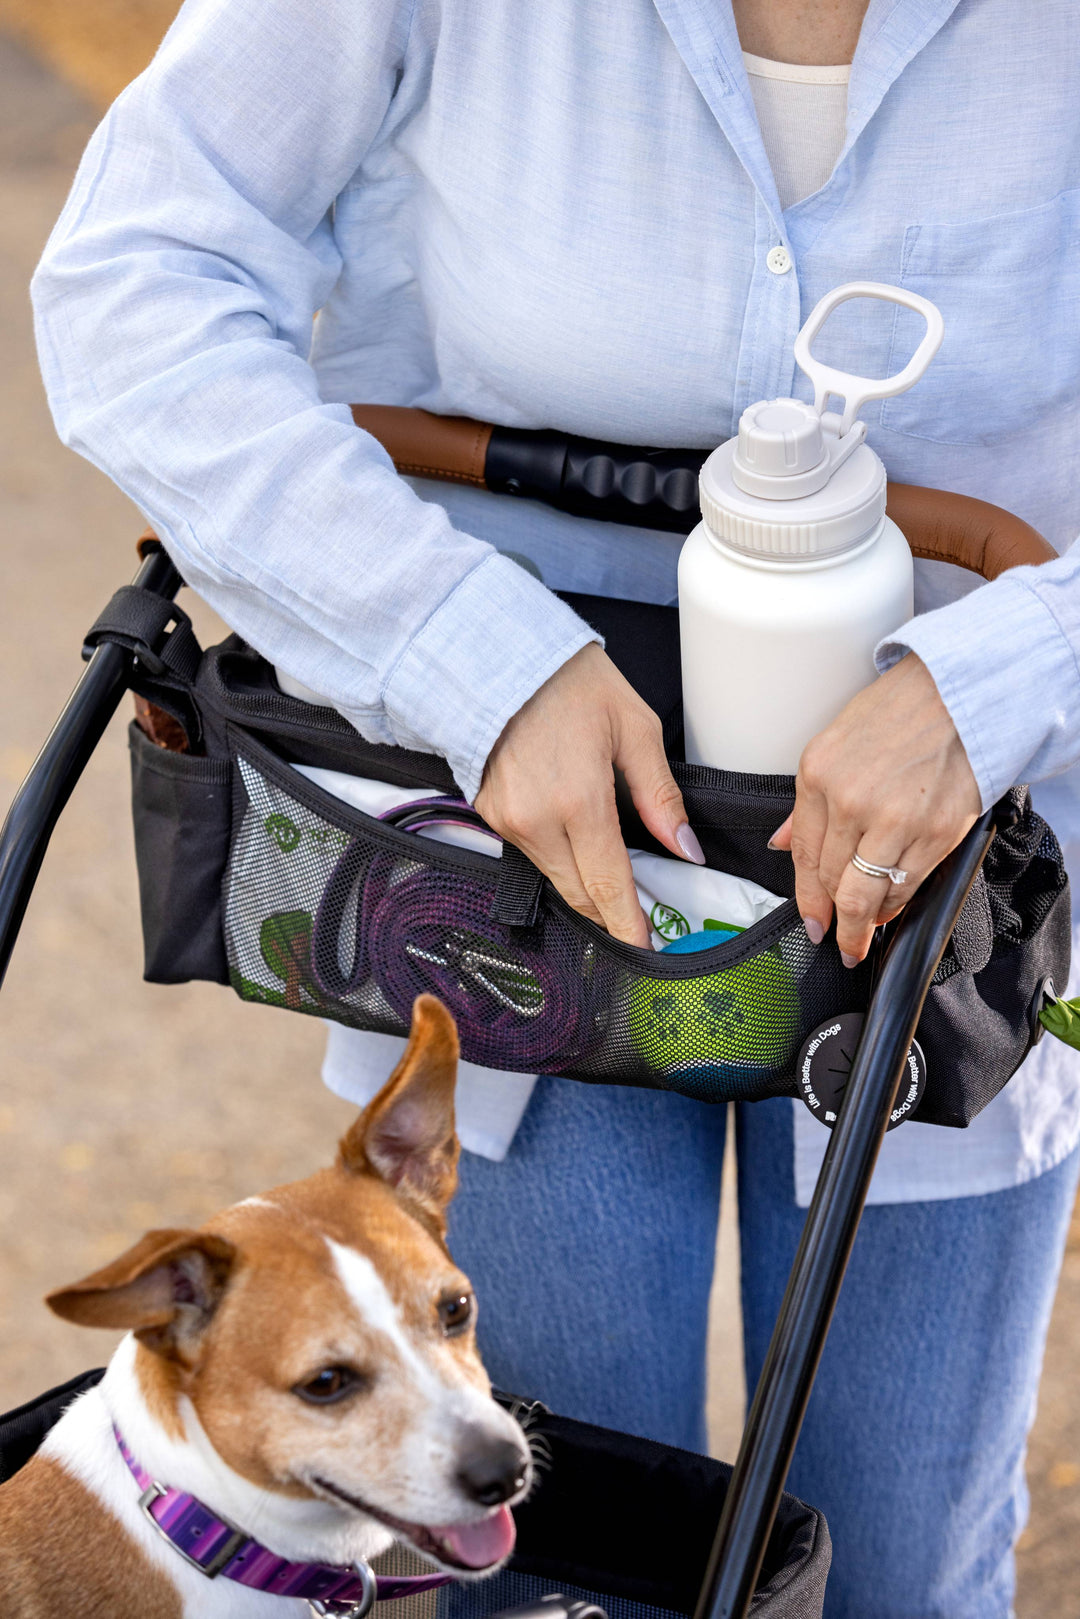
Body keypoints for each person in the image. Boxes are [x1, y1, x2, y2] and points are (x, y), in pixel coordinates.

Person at [30, 0, 1080, 1612]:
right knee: (560, 1583)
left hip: (952, 893)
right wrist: (472, 656)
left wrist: (1006, 668)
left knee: (906, 1578)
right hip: (506, 875)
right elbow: (133, 282)